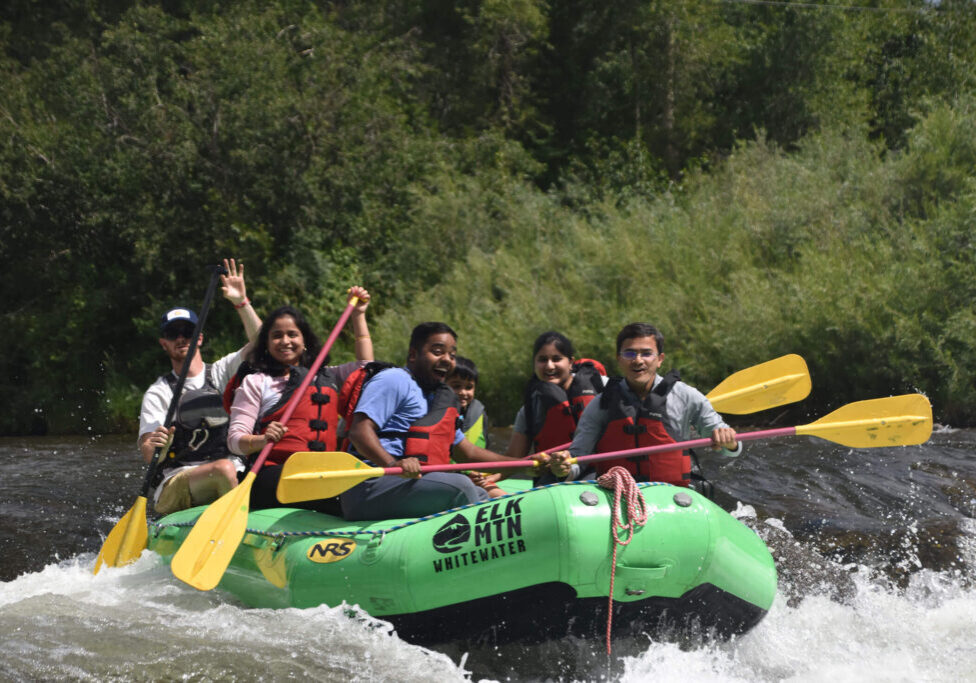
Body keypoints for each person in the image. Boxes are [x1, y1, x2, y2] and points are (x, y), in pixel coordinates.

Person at [340, 322, 523, 521]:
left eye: (452, 355)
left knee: (480, 494)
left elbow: (467, 453)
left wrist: (523, 464)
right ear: (413, 355)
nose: (447, 360)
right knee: (462, 486)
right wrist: (394, 464)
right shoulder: (394, 380)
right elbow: (359, 431)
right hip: (371, 485)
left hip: (411, 483)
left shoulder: (437, 398)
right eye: (437, 352)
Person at [226, 288, 372, 513]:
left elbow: (365, 367)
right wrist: (262, 440)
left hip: (323, 475)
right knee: (322, 490)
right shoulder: (257, 382)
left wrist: (359, 315)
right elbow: (235, 441)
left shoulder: (328, 377)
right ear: (266, 343)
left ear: (305, 341)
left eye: (292, 334)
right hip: (274, 476)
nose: (285, 341)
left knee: (354, 490)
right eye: (276, 335)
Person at [547, 322, 740, 490]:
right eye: (629, 353)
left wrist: (728, 442)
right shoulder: (600, 404)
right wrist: (563, 468)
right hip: (615, 496)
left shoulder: (687, 396)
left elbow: (731, 448)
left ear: (660, 359)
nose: (638, 360)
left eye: (646, 353)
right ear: (619, 359)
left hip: (671, 495)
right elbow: (578, 459)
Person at [138, 258, 262, 515]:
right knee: (224, 470)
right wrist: (158, 445)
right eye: (174, 334)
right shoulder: (159, 392)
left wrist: (241, 302)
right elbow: (149, 453)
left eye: (188, 331)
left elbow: (263, 344)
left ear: (200, 338)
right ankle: (234, 529)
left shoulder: (221, 372)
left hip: (231, 472)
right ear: (164, 343)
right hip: (178, 482)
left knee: (246, 470)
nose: (182, 338)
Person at [503, 331, 607, 461]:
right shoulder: (530, 409)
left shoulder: (603, 388)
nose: (549, 366)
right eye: (542, 360)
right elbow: (514, 458)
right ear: (534, 364)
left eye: (556, 359)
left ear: (570, 363)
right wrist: (490, 476)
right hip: (553, 478)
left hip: (599, 475)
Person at [446, 356, 504, 498]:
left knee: (501, 496)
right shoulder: (438, 413)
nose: (463, 392)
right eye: (456, 386)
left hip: (478, 479)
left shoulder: (479, 413)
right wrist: (467, 473)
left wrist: (481, 474)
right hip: (448, 477)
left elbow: (483, 450)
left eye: (469, 387)